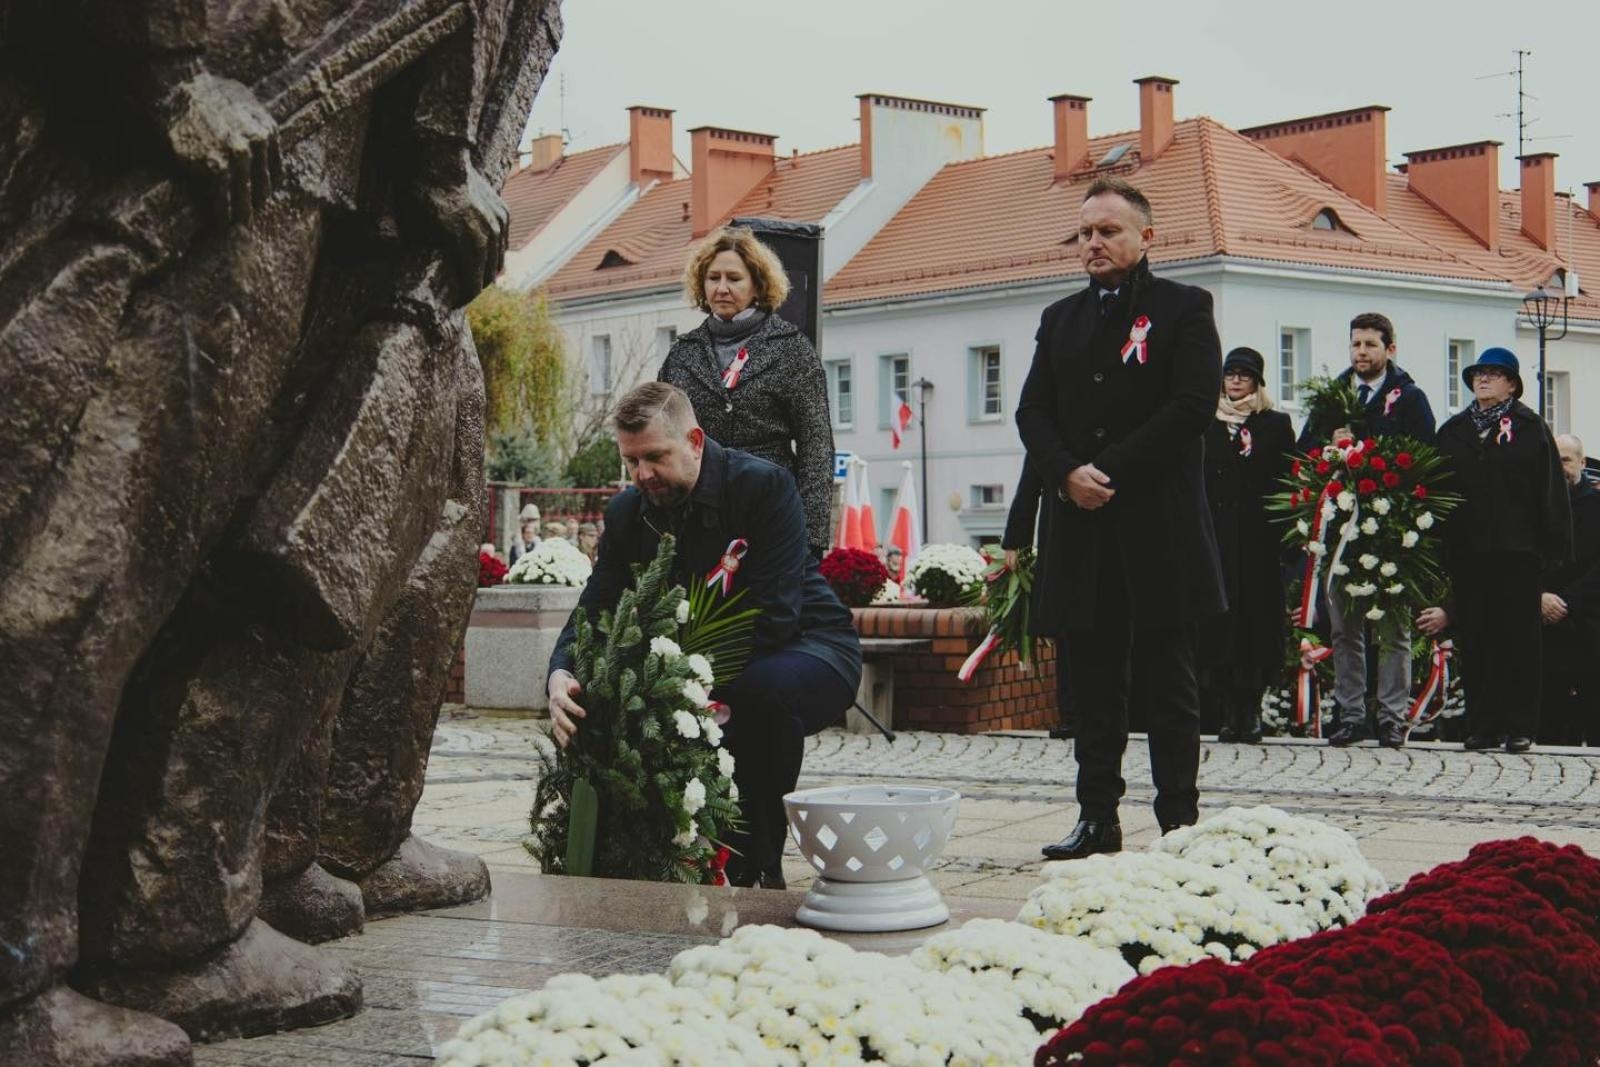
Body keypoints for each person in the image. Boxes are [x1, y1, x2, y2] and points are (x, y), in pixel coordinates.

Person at [546, 382, 862, 888]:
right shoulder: (627, 514)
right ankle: (639, 863)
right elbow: (595, 610)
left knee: (760, 696)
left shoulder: (764, 487)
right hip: (696, 663)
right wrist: (561, 672)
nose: (642, 475)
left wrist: (676, 685)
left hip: (809, 646)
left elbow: (775, 615)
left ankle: (755, 866)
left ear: (694, 440)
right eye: (631, 461)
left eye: (655, 457)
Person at [1016, 177, 1225, 861]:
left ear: (1145, 237)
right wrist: (1066, 473)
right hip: (1082, 527)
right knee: (1093, 685)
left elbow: (1192, 405)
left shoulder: (1185, 308)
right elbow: (1032, 412)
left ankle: (1178, 821)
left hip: (1158, 526)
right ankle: (1096, 815)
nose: (1094, 243)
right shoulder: (1060, 319)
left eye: (1108, 230)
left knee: (1171, 683)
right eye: (1085, 232)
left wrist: (1108, 468)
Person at [1419, 348, 1570, 753]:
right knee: (1478, 638)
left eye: (1493, 374)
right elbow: (1438, 490)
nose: (1483, 380)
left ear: (1512, 384)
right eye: (1478, 374)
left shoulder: (1530, 427)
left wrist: (1550, 551)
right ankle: (1482, 724)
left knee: (1518, 641)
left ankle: (1519, 726)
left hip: (1518, 553)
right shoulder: (1454, 431)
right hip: (1470, 553)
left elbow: (1550, 492)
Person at [1297, 313, 1436, 748]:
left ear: (1389, 349)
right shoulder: (1334, 398)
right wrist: (1329, 447)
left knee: (1394, 628)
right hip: (1339, 529)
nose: (1361, 352)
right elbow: (1304, 456)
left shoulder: (1409, 398)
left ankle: (1392, 717)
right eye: (1356, 344)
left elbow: (1427, 457)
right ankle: (1351, 714)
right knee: (1345, 627)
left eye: (1371, 345)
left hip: (1389, 527)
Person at [659, 227, 836, 557]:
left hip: (771, 508)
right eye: (713, 278)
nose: (721, 288)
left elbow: (817, 444)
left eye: (734, 278)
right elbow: (663, 436)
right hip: (698, 513)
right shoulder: (682, 353)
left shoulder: (791, 349)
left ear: (757, 284)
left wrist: (811, 536)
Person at [1199, 348, 1294, 743]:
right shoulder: (1206, 422)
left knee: (1255, 628)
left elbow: (1289, 478)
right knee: (1220, 627)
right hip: (1216, 542)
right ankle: (1226, 712)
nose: (1236, 381)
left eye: (1245, 375)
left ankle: (1251, 710)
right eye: (1230, 374)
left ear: (1258, 381)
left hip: (1258, 542)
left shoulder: (1273, 423)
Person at [1002, 459, 1073, 740]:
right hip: (1065, 537)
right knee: (1069, 636)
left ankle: (1075, 714)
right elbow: (1033, 472)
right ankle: (1071, 714)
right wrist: (1016, 539)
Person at [1539, 434, 1599, 745]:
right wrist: (1540, 596)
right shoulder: (1535, 507)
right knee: (1551, 720)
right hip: (1543, 622)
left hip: (1589, 622)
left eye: (1566, 459)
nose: (1559, 467)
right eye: (1554, 460)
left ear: (1582, 463)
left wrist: (1567, 603)